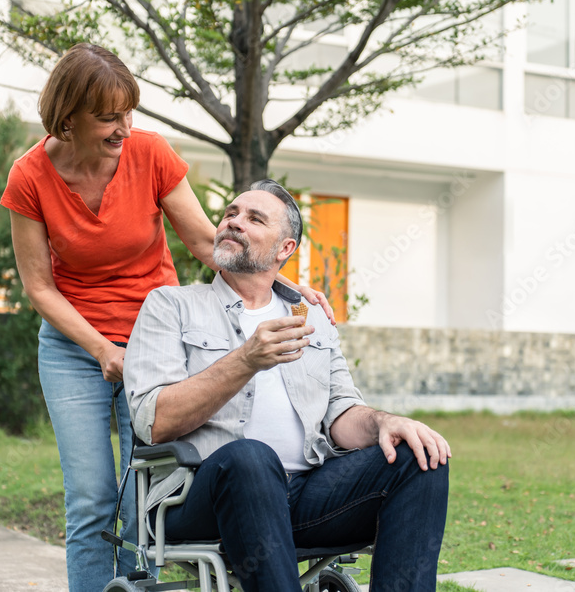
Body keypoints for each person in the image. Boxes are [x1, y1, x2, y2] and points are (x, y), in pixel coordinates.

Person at [0, 44, 332, 592]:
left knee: (147, 496)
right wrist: (102, 350)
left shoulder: (150, 154)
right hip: (73, 348)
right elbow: (39, 286)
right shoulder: (30, 176)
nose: (123, 127)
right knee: (91, 498)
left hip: (159, 343)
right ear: (67, 119)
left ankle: (140, 587)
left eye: (128, 111)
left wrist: (290, 285)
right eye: (107, 117)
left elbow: (208, 241)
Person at [124, 179, 450, 592]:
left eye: (254, 218)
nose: (234, 222)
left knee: (421, 455)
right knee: (250, 457)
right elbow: (154, 422)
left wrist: (385, 422)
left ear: (285, 249)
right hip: (201, 496)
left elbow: (341, 413)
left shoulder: (308, 315)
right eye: (230, 213)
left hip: (306, 494)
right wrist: (246, 360)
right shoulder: (171, 305)